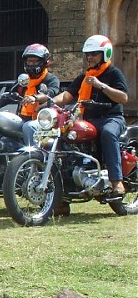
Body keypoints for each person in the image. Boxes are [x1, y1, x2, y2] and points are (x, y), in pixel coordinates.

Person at [53, 35, 129, 196]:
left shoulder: (113, 73)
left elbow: (123, 97)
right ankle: (62, 196)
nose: (89, 57)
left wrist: (100, 85)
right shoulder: (84, 76)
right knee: (64, 138)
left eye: (94, 53)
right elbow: (67, 95)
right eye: (88, 54)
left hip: (111, 118)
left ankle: (117, 181)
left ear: (105, 54)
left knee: (108, 134)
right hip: (89, 120)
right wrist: (50, 102)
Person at [16, 44, 60, 145]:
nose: (31, 64)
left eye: (35, 61)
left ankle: (33, 156)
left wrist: (34, 98)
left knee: (29, 126)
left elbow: (51, 93)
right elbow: (11, 93)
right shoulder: (23, 80)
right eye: (29, 61)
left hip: (44, 120)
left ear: (44, 62)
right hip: (23, 118)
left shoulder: (51, 79)